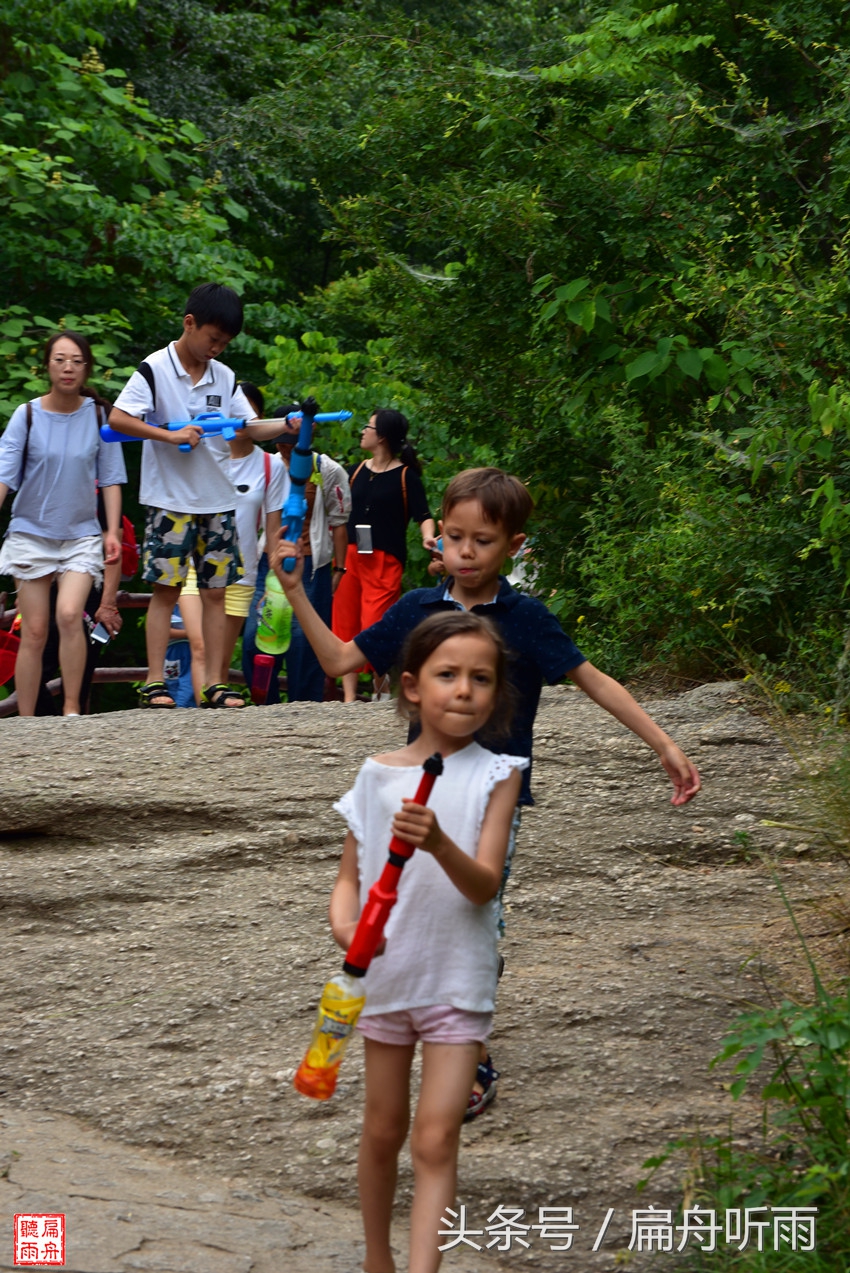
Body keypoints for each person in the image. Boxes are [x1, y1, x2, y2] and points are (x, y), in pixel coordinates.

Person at [271, 466, 701, 1115]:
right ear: (437, 534)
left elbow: (594, 679)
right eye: (455, 536)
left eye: (483, 541)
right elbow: (338, 661)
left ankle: (469, 1048)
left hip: (492, 796)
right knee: (410, 911)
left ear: (514, 546)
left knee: (477, 915)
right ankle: (416, 1023)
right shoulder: (419, 608)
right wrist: (296, 590)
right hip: (418, 792)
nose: (466, 553)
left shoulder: (526, 619)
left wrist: (664, 743)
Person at [330, 610, 527, 1273]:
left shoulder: (500, 775)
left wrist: (439, 840)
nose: (465, 690)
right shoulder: (376, 775)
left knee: (437, 1136)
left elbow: (484, 885)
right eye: (448, 675)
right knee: (383, 1130)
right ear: (412, 687)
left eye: (481, 677)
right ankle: (377, 1258)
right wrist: (348, 931)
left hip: (457, 981)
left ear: (498, 692)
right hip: (386, 984)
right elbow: (348, 882)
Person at [107, 283, 277, 709]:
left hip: (218, 500)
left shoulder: (225, 377)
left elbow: (251, 427)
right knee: (165, 591)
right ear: (190, 323)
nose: (217, 349)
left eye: (224, 343)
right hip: (169, 500)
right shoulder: (155, 368)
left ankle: (216, 683)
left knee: (217, 591)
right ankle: (153, 681)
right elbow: (118, 417)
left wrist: (287, 426)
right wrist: (168, 434)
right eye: (212, 339)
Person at [0, 331, 125, 716]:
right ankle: (26, 720)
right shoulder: (28, 415)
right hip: (30, 533)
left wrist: (113, 530)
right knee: (34, 630)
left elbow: (112, 477)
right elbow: (4, 476)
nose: (67, 367)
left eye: (75, 360)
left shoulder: (101, 416)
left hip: (80, 535)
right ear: (48, 366)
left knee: (70, 614)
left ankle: (72, 713)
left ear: (86, 367)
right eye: (59, 359)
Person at [241, 405, 349, 703]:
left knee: (304, 642)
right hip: (269, 560)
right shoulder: (269, 465)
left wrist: (340, 569)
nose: (286, 449)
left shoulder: (327, 470)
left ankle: (305, 704)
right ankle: (264, 701)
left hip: (313, 563)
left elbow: (339, 523)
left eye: (291, 443)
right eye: (281, 442)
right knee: (254, 637)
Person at [333, 409, 436, 702]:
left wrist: (429, 537)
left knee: (375, 623)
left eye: (368, 427)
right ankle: (349, 698)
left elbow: (423, 515)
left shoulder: (406, 476)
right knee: (346, 623)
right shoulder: (353, 471)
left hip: (384, 560)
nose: (362, 431)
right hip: (350, 556)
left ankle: (380, 691)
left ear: (382, 437)